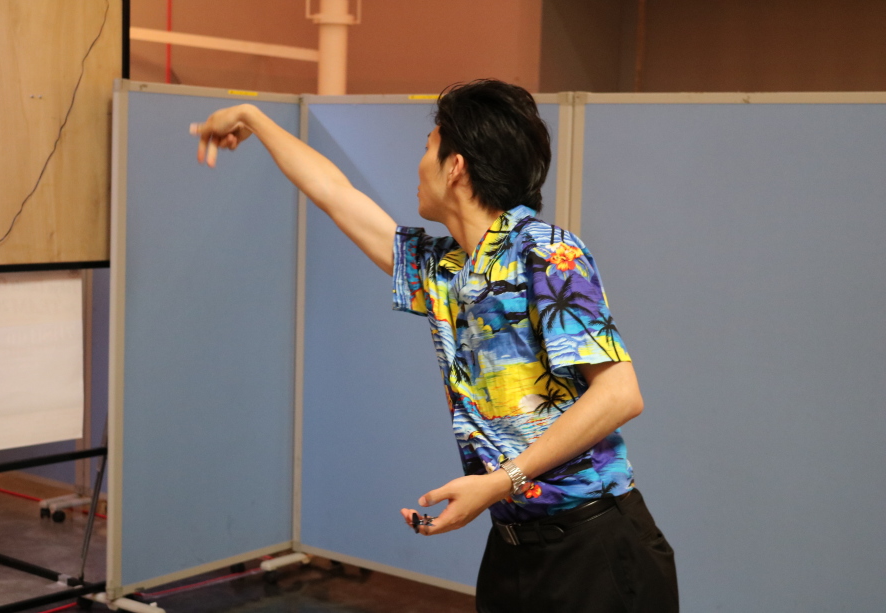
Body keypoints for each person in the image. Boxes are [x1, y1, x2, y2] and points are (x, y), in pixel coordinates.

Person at [191, 79, 678, 612]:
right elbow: (334, 192)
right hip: (514, 549)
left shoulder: (545, 250)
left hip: (598, 548)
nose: (418, 165)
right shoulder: (443, 270)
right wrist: (255, 118)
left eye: (428, 148)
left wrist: (499, 482)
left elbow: (620, 395)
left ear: (455, 167)